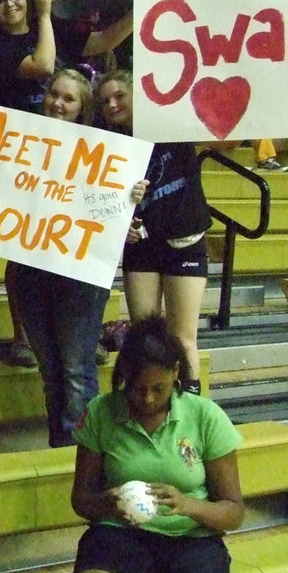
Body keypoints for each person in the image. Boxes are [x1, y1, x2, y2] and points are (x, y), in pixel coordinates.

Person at [0, 69, 146, 446]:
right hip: (30, 275)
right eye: (54, 94)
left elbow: (108, 213)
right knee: (51, 372)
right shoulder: (22, 145)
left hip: (80, 279)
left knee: (76, 371)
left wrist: (130, 196)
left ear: (83, 108)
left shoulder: (106, 153)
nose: (58, 102)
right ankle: (61, 446)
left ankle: (83, 454)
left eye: (69, 98)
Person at [67, 316, 243, 573]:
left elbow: (234, 511)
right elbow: (81, 501)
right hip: (119, 537)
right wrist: (108, 503)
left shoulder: (205, 416)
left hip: (192, 545)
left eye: (158, 388)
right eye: (136, 387)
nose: (146, 398)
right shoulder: (101, 413)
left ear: (176, 372)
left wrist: (188, 505)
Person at [0, 0, 133, 368]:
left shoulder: (54, 25)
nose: (11, 5)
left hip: (73, 155)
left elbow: (102, 41)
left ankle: (80, 337)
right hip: (25, 156)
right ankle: (24, 338)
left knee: (74, 246)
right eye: (1, 0)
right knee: (21, 250)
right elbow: (46, 66)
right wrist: (45, 15)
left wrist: (139, 12)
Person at [96, 70, 210, 394]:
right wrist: (120, 227)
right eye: (105, 101)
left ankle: (188, 414)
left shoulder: (172, 124)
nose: (113, 104)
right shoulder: (107, 147)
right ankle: (146, 408)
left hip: (182, 242)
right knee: (145, 338)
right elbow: (102, 205)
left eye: (120, 95)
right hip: (142, 246)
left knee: (182, 337)